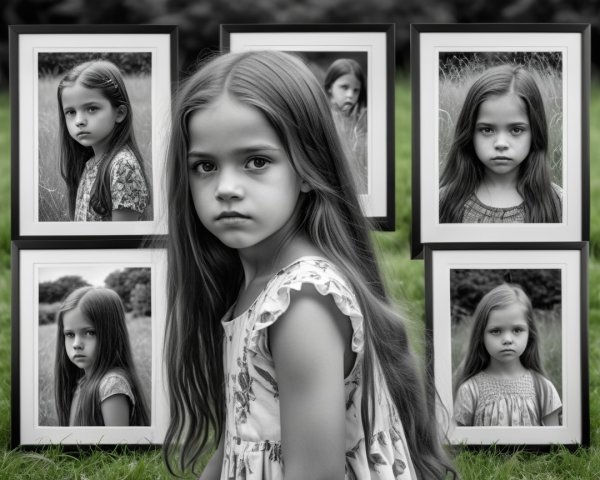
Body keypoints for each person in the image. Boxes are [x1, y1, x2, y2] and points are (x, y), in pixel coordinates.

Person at [162, 50, 455, 480]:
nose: (225, 188)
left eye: (256, 162)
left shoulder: (301, 302)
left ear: (306, 168)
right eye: (205, 166)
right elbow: (239, 437)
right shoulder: (253, 278)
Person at [439, 64, 562, 223]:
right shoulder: (443, 202)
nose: (501, 144)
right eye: (487, 130)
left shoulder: (558, 203)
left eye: (516, 130)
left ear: (535, 133)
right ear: (469, 132)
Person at [453, 283, 562, 427]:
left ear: (530, 334)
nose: (507, 340)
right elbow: (459, 445)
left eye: (517, 330)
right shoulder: (470, 391)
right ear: (481, 336)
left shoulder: (543, 388)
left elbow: (557, 446)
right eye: (496, 331)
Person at [57, 60, 150, 221]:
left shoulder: (122, 166)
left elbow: (121, 241)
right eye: (71, 112)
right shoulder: (91, 163)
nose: (79, 121)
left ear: (119, 113)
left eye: (92, 108)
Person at [54, 286, 150, 426]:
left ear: (111, 333)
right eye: (69, 334)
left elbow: (118, 446)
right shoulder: (82, 383)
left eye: (89, 333)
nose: (76, 344)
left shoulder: (111, 384)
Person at [324, 58, 368, 194]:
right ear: (330, 87)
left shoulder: (360, 121)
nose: (350, 95)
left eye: (356, 90)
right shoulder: (323, 116)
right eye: (344, 87)